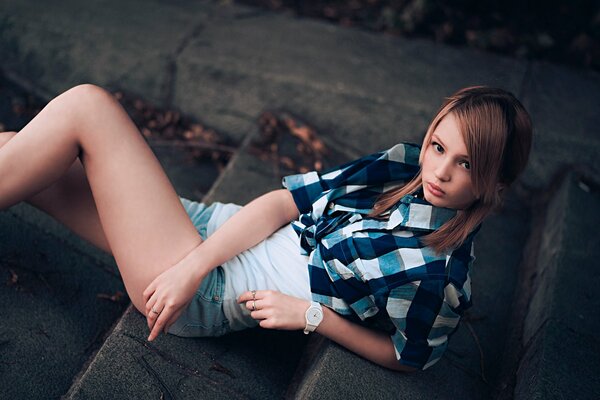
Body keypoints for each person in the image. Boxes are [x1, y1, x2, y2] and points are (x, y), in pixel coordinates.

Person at [0, 84, 532, 372]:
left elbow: (407, 357)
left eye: (466, 164)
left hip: (208, 293)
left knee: (87, 109)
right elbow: (283, 203)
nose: (439, 171)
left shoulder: (438, 275)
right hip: (202, 240)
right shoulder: (401, 168)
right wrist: (194, 261)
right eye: (440, 146)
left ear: (494, 183)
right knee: (16, 148)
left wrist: (311, 315)